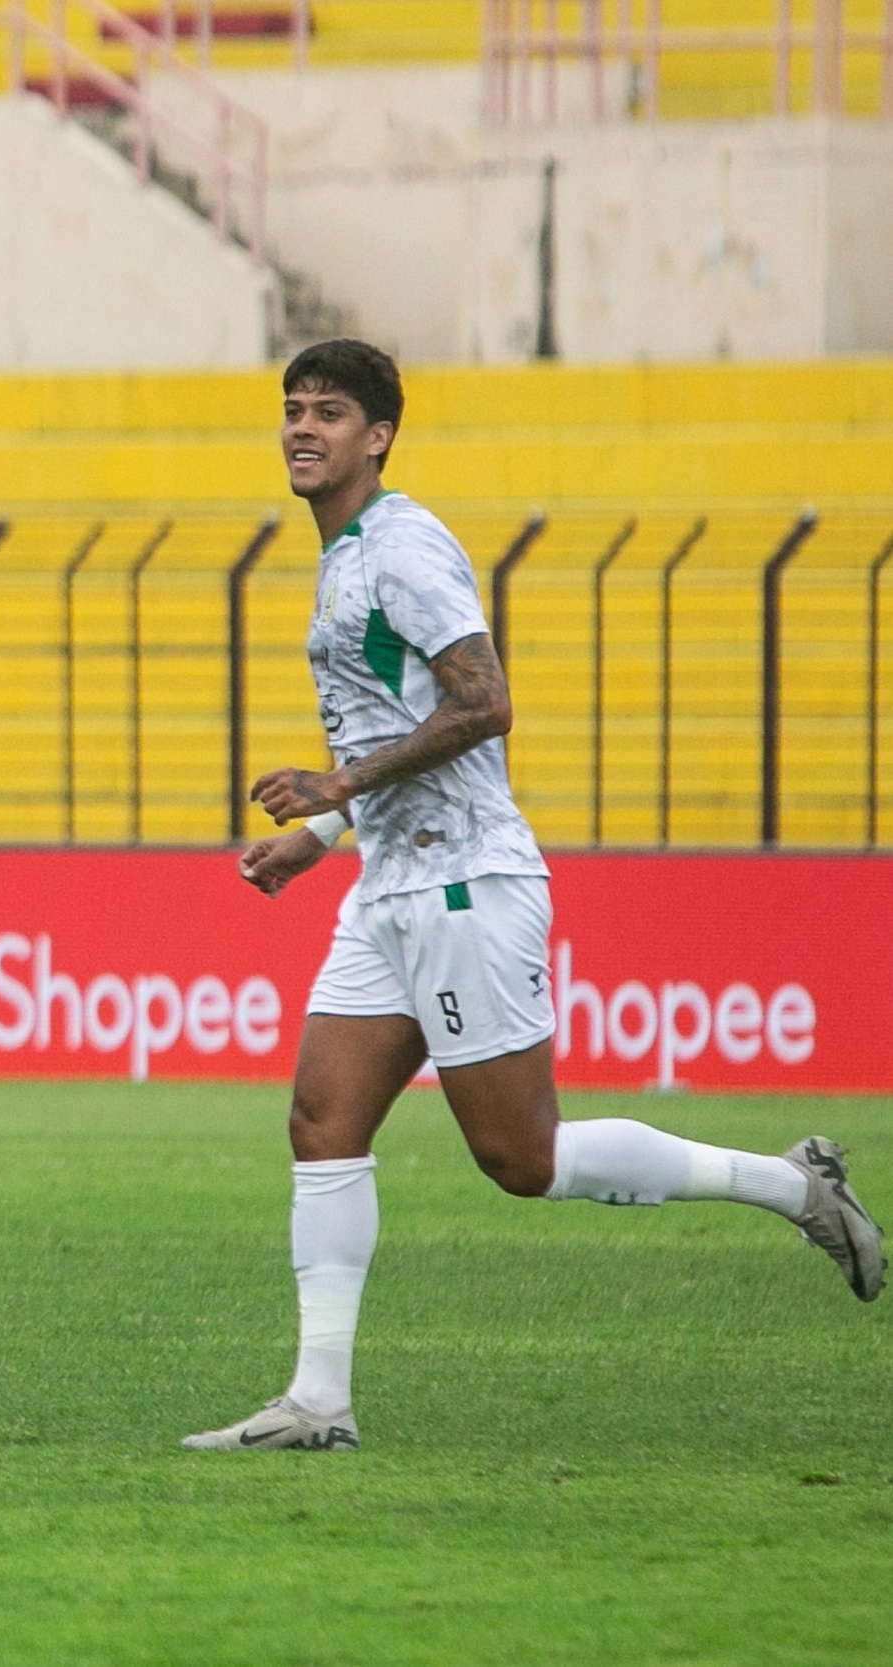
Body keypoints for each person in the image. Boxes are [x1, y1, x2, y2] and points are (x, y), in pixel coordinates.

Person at [182, 339, 883, 1453]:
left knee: (523, 1158)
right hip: (389, 884)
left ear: (378, 437)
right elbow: (393, 723)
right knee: (323, 1120)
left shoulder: (403, 548)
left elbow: (485, 702)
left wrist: (339, 783)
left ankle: (792, 1185)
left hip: (467, 880)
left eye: (328, 413)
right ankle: (318, 1400)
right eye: (291, 409)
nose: (302, 428)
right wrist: (323, 831)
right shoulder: (346, 551)